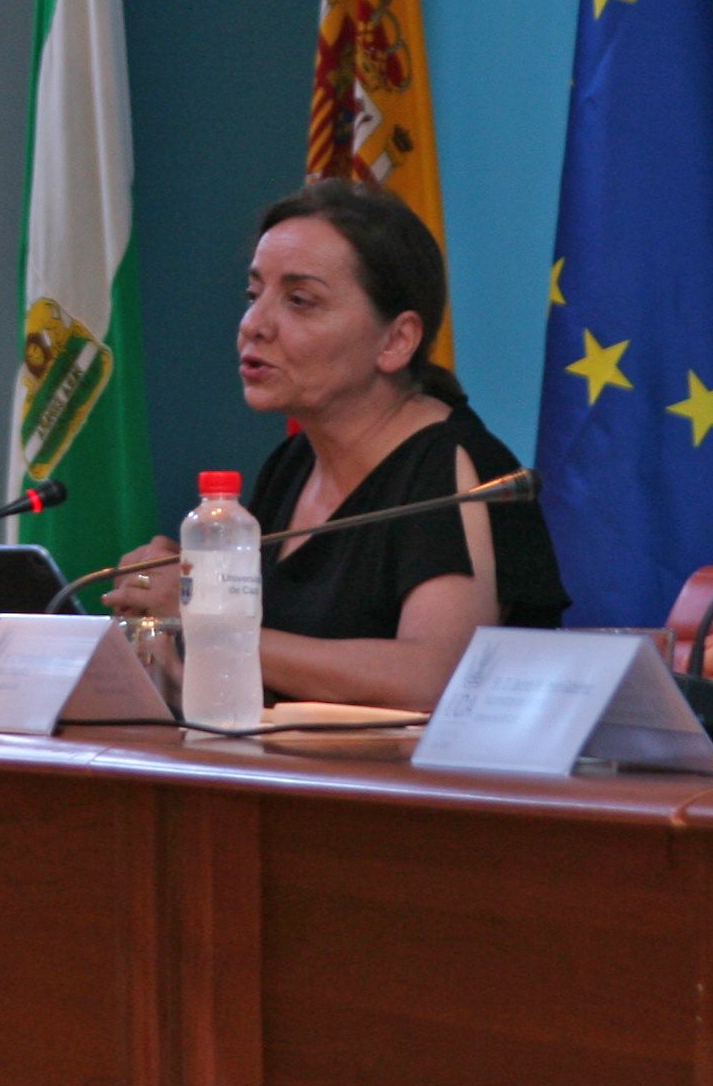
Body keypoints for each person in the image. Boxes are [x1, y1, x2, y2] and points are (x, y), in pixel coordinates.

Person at [104, 177, 563, 710]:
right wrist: (162, 625)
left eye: (300, 301)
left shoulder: (451, 471)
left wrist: (205, 621)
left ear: (396, 340)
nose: (253, 325)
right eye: (254, 296)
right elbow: (267, 680)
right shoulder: (293, 465)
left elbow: (435, 681)